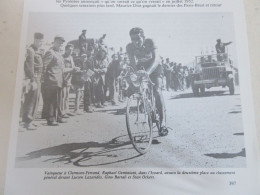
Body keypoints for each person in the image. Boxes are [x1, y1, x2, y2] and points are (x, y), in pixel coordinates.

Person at [126, 27, 168, 136]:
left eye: (138, 38)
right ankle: (147, 105)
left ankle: (163, 124)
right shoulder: (129, 47)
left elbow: (157, 59)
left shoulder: (150, 42)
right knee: (140, 88)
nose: (136, 42)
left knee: (157, 91)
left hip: (154, 66)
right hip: (142, 66)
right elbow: (132, 63)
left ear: (143, 37)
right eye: (133, 39)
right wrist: (134, 76)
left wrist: (148, 73)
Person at [22, 32, 44, 130]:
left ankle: (32, 119)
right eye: (39, 41)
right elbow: (30, 67)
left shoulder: (38, 51)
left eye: (42, 41)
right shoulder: (30, 51)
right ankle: (27, 122)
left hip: (38, 78)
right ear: (35, 40)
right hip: (33, 79)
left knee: (36, 100)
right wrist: (32, 80)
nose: (41, 43)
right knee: (30, 100)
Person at [43, 36, 66, 126]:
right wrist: (45, 80)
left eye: (62, 43)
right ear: (55, 42)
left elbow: (61, 68)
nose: (61, 44)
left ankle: (58, 117)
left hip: (59, 80)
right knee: (51, 101)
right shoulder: (50, 52)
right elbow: (44, 66)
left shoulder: (59, 54)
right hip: (51, 80)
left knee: (58, 100)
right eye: (59, 42)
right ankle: (51, 119)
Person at [62, 44, 79, 117]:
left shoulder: (71, 57)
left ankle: (67, 110)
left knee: (67, 95)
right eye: (69, 50)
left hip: (69, 79)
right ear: (65, 50)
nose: (70, 52)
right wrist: (72, 69)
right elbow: (62, 69)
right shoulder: (62, 57)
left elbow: (73, 66)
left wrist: (76, 68)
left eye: (71, 50)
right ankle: (62, 111)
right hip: (63, 78)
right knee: (63, 96)